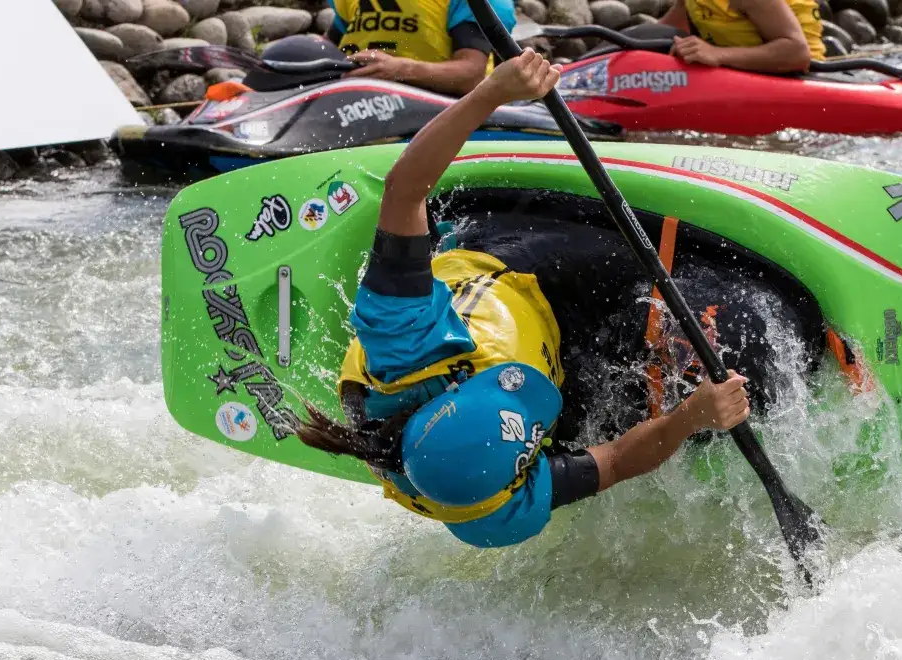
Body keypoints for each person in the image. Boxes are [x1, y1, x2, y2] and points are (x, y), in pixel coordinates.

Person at [294, 49, 752, 549]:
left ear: (454, 393)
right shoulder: (497, 511)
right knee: (660, 394)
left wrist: (493, 91)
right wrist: (690, 418)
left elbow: (405, 190)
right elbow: (617, 462)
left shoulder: (403, 342)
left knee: (658, 273)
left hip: (511, 268)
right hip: (548, 356)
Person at [324, 0, 516, 95]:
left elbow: (471, 77)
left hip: (438, 107)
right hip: (356, 103)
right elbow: (330, 45)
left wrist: (400, 70)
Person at [657, 0, 822, 72]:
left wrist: (717, 54)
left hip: (802, 74)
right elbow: (668, 28)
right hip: (744, 68)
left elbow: (797, 53)